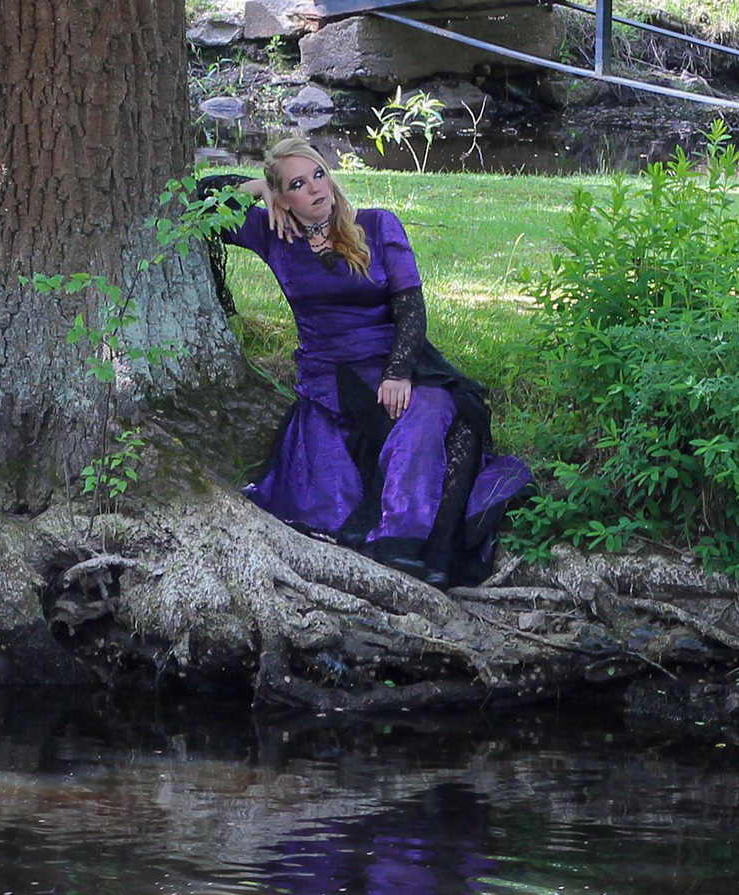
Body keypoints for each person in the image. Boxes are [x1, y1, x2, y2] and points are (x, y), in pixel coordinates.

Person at [211, 138, 532, 587]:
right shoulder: (272, 234)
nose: (316, 189)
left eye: (319, 174)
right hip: (332, 373)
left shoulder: (378, 225)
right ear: (282, 199)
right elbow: (197, 203)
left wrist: (398, 372)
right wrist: (256, 188)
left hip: (399, 355)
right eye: (298, 184)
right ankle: (419, 548)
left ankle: (416, 547)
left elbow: (410, 308)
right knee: (430, 422)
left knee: (450, 414)